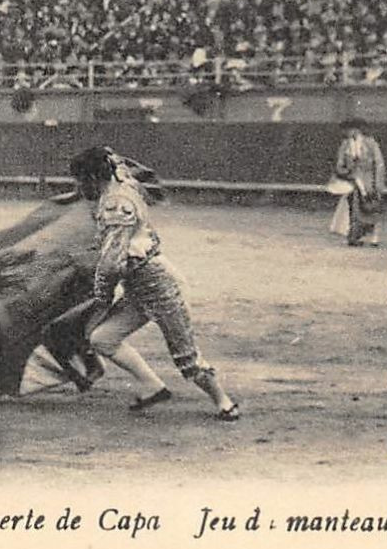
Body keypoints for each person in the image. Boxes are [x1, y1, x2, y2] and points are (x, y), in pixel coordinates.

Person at [23, 146, 240, 420]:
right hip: (139, 288)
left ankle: (225, 403)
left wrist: (101, 296)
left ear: (92, 177)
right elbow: (132, 172)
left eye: (81, 181)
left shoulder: (116, 206)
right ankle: (153, 387)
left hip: (160, 289)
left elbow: (113, 262)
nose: (79, 187)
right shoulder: (123, 185)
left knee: (187, 358)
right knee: (102, 338)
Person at [330, 119, 385, 246]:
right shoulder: (345, 145)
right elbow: (339, 164)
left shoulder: (370, 143)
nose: (349, 132)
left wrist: (378, 184)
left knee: (371, 208)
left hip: (369, 180)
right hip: (353, 180)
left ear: (358, 130)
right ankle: (355, 236)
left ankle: (373, 237)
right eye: (347, 130)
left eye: (351, 129)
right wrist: (345, 172)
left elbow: (379, 164)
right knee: (354, 209)